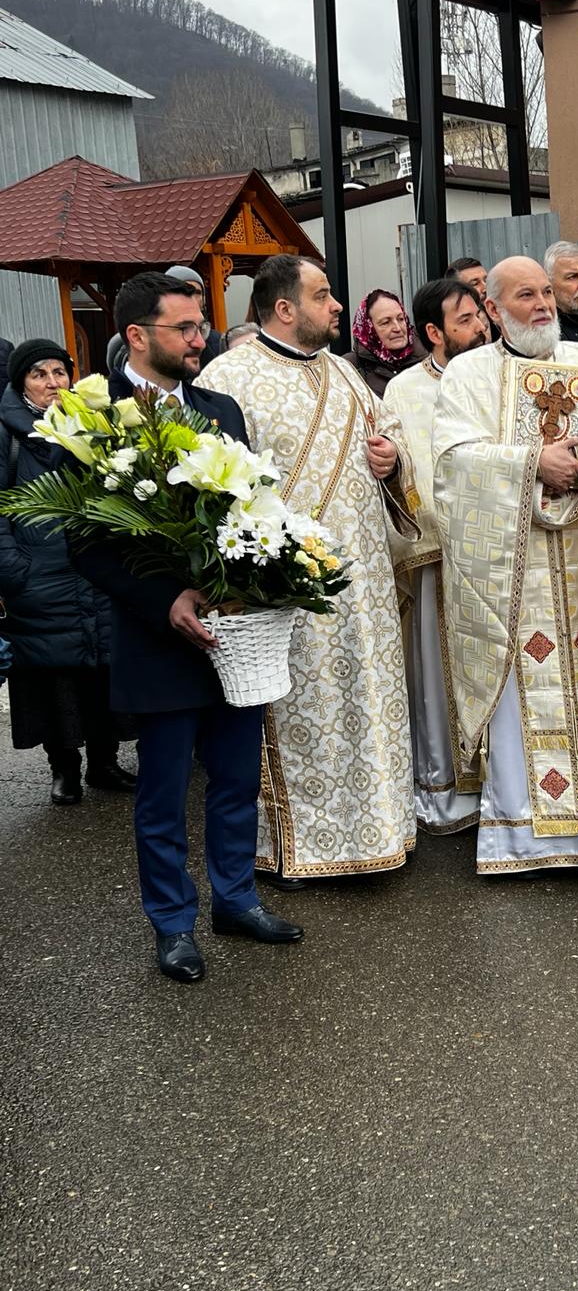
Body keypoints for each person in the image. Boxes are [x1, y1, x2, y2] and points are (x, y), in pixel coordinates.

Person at [70, 272, 303, 982]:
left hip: (234, 633)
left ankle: (235, 898)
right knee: (165, 792)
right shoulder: (95, 418)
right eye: (185, 329)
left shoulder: (220, 408)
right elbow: (84, 540)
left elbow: (252, 509)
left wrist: (263, 580)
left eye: (202, 327)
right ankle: (172, 922)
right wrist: (165, 596)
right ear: (137, 336)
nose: (200, 339)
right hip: (158, 638)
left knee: (236, 780)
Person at [196, 255, 417, 888]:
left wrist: (392, 458)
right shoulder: (229, 376)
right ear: (285, 308)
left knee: (368, 702)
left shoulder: (346, 372)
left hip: (364, 583)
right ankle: (301, 843)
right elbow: (218, 485)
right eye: (324, 296)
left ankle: (380, 830)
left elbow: (391, 438)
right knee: (301, 711)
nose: (337, 306)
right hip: (288, 590)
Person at [432, 256, 578, 873]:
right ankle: (521, 838)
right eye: (525, 295)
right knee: (518, 689)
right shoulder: (470, 375)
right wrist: (534, 464)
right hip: (512, 573)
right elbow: (452, 463)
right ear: (494, 310)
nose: (542, 305)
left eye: (546, 294)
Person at [0, 339, 135, 806]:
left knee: (102, 671)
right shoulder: (8, 434)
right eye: (39, 374)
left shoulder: (90, 424)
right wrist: (14, 568)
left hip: (94, 572)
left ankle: (104, 761)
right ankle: (64, 769)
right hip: (38, 576)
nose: (52, 383)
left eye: (60, 372)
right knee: (54, 679)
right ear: (22, 384)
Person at [380, 277, 490, 835]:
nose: (480, 327)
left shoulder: (501, 376)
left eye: (480, 315)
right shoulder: (404, 389)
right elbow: (403, 465)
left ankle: (503, 786)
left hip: (499, 556)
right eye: (465, 319)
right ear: (433, 332)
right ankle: (447, 791)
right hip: (438, 555)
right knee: (438, 675)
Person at [345, 288, 417, 395]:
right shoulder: (348, 368)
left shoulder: (427, 358)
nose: (397, 328)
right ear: (368, 329)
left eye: (401, 319)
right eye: (386, 322)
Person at [164, 265, 224, 367]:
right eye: (183, 291)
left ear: (204, 299)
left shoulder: (218, 341)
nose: (190, 297)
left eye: (196, 292)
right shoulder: (160, 339)